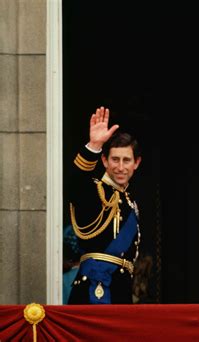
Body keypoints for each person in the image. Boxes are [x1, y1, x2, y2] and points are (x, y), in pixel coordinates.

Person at [68, 106, 142, 304]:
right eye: (114, 159)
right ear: (104, 160)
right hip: (94, 288)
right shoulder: (95, 191)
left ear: (136, 163)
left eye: (126, 160)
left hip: (120, 289)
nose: (120, 167)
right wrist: (93, 145)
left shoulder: (129, 201)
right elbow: (74, 183)